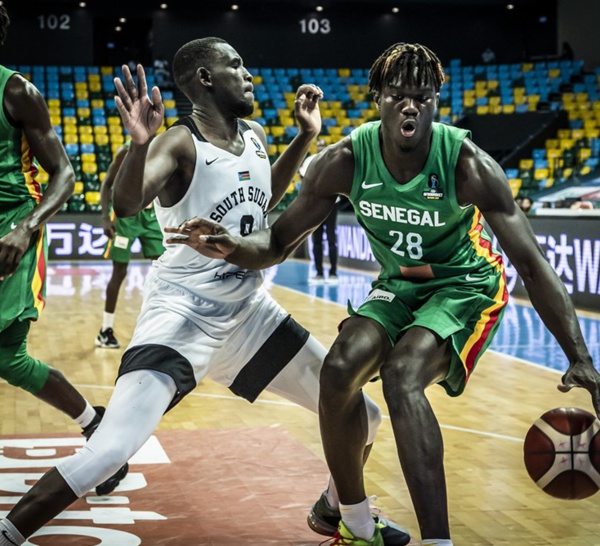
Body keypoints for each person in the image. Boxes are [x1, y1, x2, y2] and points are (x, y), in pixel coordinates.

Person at [163, 42, 600, 546]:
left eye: (421, 96)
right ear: (378, 100)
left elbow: (531, 263)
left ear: (436, 101)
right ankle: (346, 514)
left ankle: (438, 539)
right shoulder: (346, 159)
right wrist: (233, 246)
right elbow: (280, 240)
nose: (409, 105)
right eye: (397, 95)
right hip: (398, 285)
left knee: (402, 375)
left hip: (464, 286)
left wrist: (580, 356)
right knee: (340, 368)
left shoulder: (467, 164)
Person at [0, 38, 410, 546]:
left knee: (362, 417)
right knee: (108, 452)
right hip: (182, 316)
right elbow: (128, 204)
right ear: (204, 79)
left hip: (249, 315)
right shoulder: (179, 141)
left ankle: (336, 511)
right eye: (235, 64)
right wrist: (137, 144)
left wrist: (305, 138)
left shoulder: (256, 135)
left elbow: (264, 196)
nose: (248, 73)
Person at [0, 4, 127, 505]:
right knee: (9, 360)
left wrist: (27, 228)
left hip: (12, 228)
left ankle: (99, 430)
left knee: (7, 354)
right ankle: (97, 425)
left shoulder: (16, 91)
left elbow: (65, 173)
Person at [96, 142, 165, 349]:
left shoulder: (161, 149)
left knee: (164, 269)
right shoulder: (125, 151)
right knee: (119, 271)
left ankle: (160, 328)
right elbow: (107, 183)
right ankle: (105, 331)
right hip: (125, 216)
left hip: (150, 215)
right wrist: (105, 219)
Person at [299, 137, 339, 283]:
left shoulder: (335, 160)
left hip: (332, 203)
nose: (321, 149)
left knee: (331, 238)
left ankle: (333, 272)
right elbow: (303, 178)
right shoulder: (310, 160)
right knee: (316, 239)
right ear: (317, 148)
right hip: (315, 204)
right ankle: (319, 272)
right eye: (320, 147)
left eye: (324, 146)